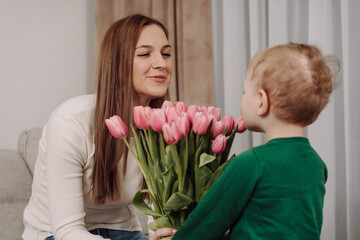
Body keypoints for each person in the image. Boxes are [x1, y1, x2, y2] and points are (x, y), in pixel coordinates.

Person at [22, 14, 175, 240]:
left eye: (166, 53)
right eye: (144, 53)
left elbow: (159, 216)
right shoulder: (70, 122)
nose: (161, 64)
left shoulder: (166, 126)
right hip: (54, 234)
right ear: (117, 63)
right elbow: (67, 231)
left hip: (123, 231)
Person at [171, 43, 339, 240]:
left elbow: (206, 224)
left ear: (262, 101)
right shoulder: (316, 165)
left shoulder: (251, 164)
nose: (242, 97)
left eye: (244, 92)